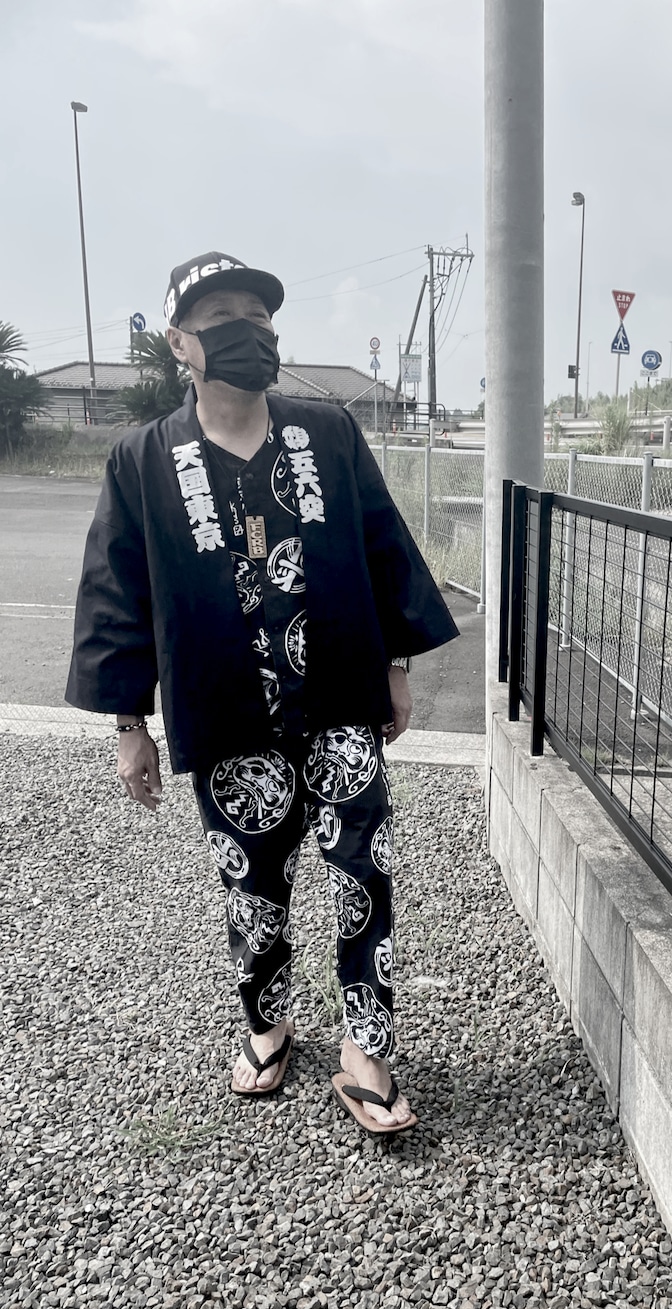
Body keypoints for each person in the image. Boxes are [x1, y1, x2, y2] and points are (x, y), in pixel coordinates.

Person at [66, 251, 458, 1133]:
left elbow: (382, 544)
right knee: (253, 886)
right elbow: (115, 593)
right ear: (181, 342)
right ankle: (266, 1022)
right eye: (224, 319)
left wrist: (396, 665)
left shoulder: (327, 432)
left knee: (363, 874)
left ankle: (367, 1049)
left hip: (340, 698)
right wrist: (129, 722)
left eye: (260, 317)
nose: (250, 331)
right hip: (226, 710)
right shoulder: (142, 459)